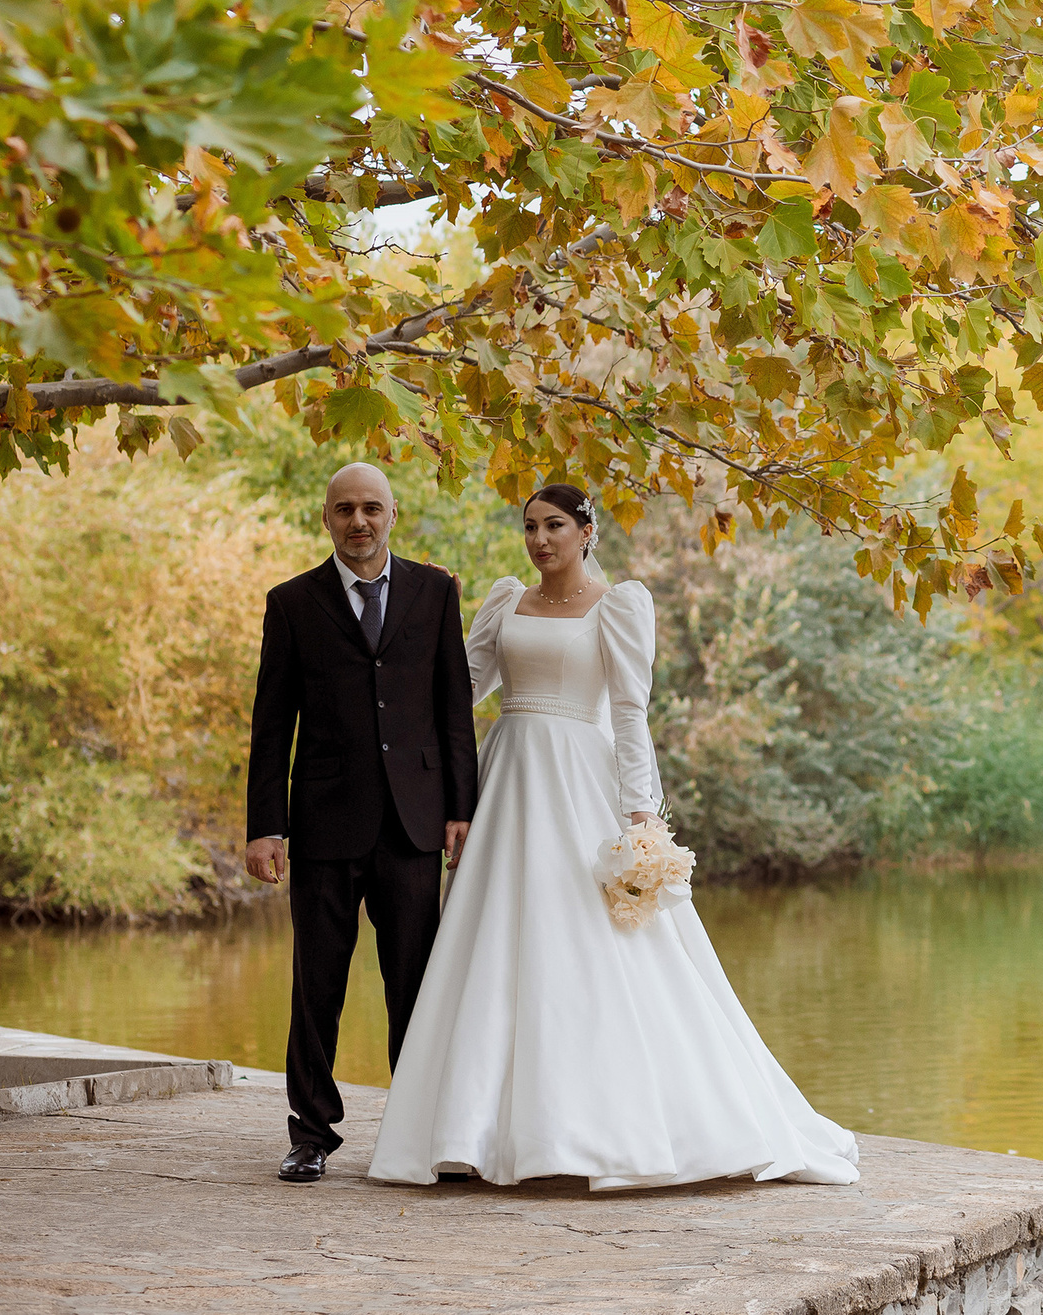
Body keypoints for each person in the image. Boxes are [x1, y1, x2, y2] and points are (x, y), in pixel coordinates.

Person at [367, 483, 859, 1189]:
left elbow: (629, 714)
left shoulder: (620, 605)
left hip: (578, 783)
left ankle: (607, 1129)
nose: (541, 539)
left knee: (589, 942)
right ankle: (478, 1132)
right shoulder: (504, 600)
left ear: (587, 530)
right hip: (506, 777)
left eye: (556, 525)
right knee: (497, 944)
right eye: (532, 525)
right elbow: (456, 691)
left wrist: (641, 813)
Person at [245, 462, 478, 1185]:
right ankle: (311, 1132)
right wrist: (265, 825)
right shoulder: (291, 602)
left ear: (393, 514)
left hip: (412, 823)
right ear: (326, 518)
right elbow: (271, 719)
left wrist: (460, 809)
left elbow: (453, 706)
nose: (359, 520)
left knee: (416, 985)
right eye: (344, 508)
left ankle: (417, 1133)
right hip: (323, 823)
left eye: (371, 507)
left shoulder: (436, 592)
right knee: (317, 986)